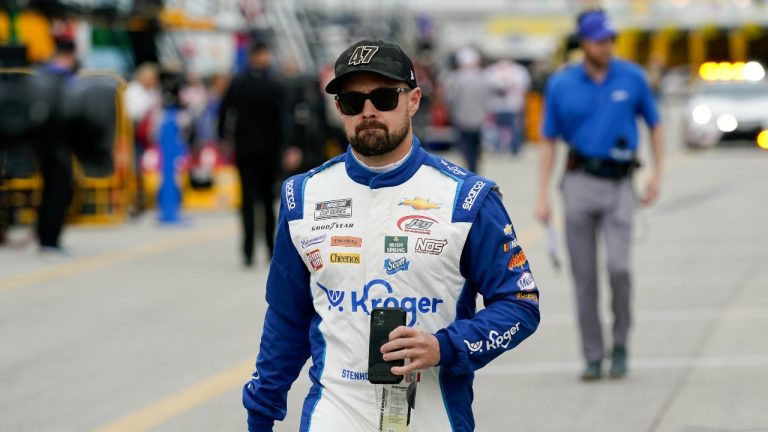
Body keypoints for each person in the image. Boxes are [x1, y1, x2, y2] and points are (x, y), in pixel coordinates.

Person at [242, 39, 540, 431]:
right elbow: (285, 317)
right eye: (353, 101)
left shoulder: (468, 198)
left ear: (413, 101)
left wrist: (443, 347)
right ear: (339, 110)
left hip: (433, 416)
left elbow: (520, 304)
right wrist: (261, 412)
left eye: (384, 97)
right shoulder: (302, 196)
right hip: (334, 414)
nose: (368, 111)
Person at [535, 9, 664, 381]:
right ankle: (593, 355)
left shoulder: (633, 77)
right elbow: (548, 141)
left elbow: (655, 125)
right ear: (584, 43)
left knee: (619, 268)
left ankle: (620, 343)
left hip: (621, 183)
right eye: (599, 40)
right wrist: (541, 195)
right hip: (578, 182)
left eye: (610, 39)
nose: (606, 46)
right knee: (584, 276)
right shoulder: (561, 84)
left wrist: (655, 173)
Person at [218, 42, 287, 267]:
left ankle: (247, 252)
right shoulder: (273, 83)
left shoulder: (238, 82)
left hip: (244, 149)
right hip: (269, 149)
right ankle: (270, 249)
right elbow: (283, 118)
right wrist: (286, 146)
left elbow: (224, 111)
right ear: (262, 55)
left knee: (247, 201)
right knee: (268, 202)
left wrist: (223, 138)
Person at [35, 38, 78, 253]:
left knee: (48, 189)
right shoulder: (65, 79)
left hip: (39, 142)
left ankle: (44, 236)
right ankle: (50, 241)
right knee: (59, 191)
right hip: (60, 143)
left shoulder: (39, 75)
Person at [442, 47, 492, 173]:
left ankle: (471, 168)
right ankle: (475, 168)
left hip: (462, 118)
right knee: (476, 147)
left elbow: (450, 98)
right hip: (479, 119)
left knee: (466, 148)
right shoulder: (483, 77)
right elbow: (488, 99)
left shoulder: (456, 78)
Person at [124, 62, 161, 217]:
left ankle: (141, 199)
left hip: (147, 136)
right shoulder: (133, 91)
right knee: (134, 168)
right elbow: (133, 113)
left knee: (143, 168)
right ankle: (133, 200)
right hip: (134, 134)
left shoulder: (152, 92)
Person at [485, 58, 531, 155]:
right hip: (497, 106)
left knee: (514, 127)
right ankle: (497, 147)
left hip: (513, 105)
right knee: (496, 128)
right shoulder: (492, 71)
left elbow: (524, 88)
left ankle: (514, 148)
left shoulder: (519, 71)